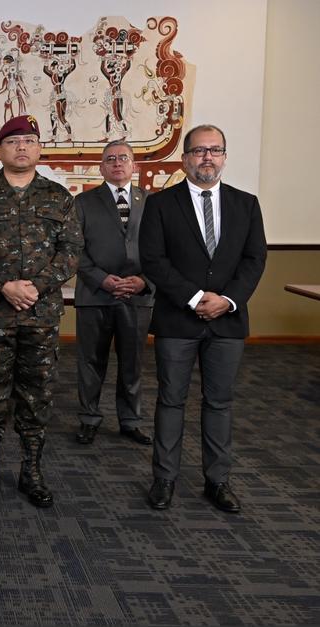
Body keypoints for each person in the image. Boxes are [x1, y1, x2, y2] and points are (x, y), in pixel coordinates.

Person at [0, 115, 82, 509]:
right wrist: (3, 286)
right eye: (13, 142)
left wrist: (36, 287)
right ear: (0, 150)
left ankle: (32, 471)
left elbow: (70, 252)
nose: (21, 147)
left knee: (36, 396)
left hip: (40, 316)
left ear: (39, 148)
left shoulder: (59, 197)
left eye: (29, 141)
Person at [139, 124, 266, 513]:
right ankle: (164, 479)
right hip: (179, 319)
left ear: (225, 157)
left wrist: (226, 300)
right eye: (198, 151)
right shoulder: (161, 205)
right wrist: (194, 298)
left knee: (220, 402)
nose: (206, 157)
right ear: (185, 158)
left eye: (214, 150)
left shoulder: (246, 204)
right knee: (171, 400)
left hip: (227, 320)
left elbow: (254, 259)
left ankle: (218, 480)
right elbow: (154, 261)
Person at [74, 140, 154, 446]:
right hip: (95, 293)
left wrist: (144, 281)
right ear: (101, 167)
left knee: (132, 362)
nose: (117, 163)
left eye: (123, 158)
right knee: (90, 362)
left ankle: (130, 420)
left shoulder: (152, 202)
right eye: (110, 159)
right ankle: (89, 418)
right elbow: (74, 250)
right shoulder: (83, 203)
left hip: (138, 295)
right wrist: (102, 279)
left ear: (134, 165)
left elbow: (163, 250)